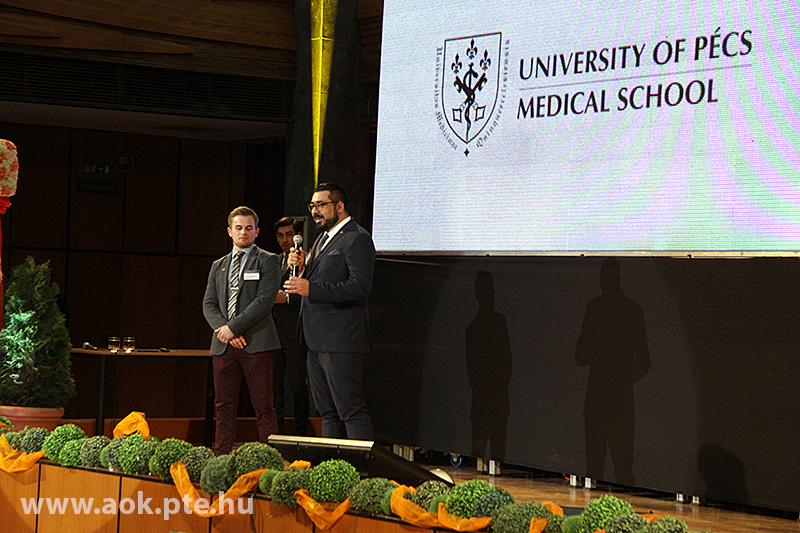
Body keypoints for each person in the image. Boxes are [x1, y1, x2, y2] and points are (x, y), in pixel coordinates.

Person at [284, 182, 375, 440]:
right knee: (327, 412)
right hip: (316, 340)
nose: (315, 211)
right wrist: (302, 269)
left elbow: (360, 286)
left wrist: (310, 288)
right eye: (312, 206)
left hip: (341, 340)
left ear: (340, 206)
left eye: (321, 205)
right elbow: (321, 279)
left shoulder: (356, 238)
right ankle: (330, 465)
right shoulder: (322, 239)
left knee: (350, 410)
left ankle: (360, 465)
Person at [203, 206, 281, 454]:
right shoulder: (218, 265)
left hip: (257, 343)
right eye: (238, 228)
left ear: (256, 232)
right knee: (223, 406)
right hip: (224, 345)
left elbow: (264, 301)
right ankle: (221, 458)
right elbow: (208, 304)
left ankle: (269, 460)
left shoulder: (268, 260)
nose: (243, 232)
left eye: (249, 228)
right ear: (230, 231)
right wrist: (225, 330)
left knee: (263, 406)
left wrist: (233, 328)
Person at [272, 216, 311, 436]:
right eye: (280, 236)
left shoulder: (308, 260)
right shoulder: (273, 261)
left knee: (297, 385)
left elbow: (308, 293)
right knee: (274, 387)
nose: (285, 240)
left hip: (294, 332)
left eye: (289, 235)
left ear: (298, 236)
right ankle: (276, 432)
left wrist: (286, 298)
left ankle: (301, 432)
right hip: (272, 332)